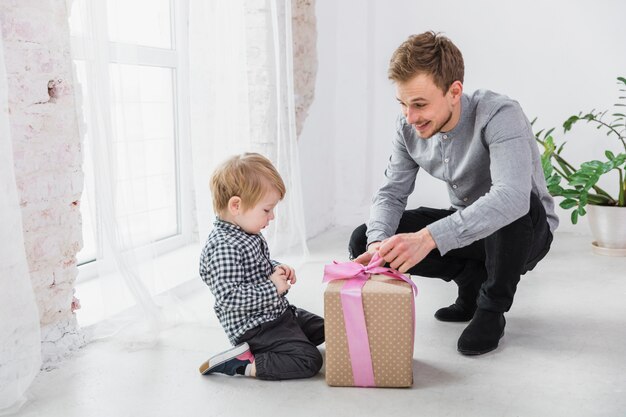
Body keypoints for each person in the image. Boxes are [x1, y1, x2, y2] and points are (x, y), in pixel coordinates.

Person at [349, 31, 558, 356]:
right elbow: (391, 193)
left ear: (454, 91)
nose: (411, 117)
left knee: (511, 206)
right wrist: (379, 244)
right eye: (402, 104)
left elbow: (512, 198)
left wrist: (428, 238)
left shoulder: (500, 115)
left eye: (419, 104)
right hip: (471, 231)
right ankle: (470, 281)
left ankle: (491, 310)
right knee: (365, 236)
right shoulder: (407, 127)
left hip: (525, 232)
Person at [199, 153, 324, 379]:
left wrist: (276, 268)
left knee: (327, 328)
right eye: (266, 210)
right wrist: (273, 287)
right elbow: (229, 297)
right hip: (257, 328)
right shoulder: (224, 246)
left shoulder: (246, 233)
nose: (272, 216)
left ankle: (288, 340)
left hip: (277, 313)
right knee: (309, 359)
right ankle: (243, 364)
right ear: (236, 205)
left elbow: (256, 268)